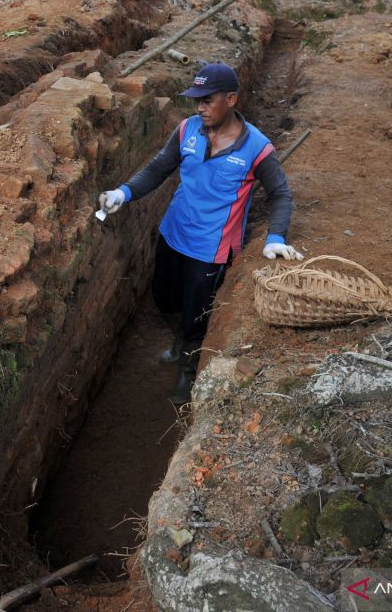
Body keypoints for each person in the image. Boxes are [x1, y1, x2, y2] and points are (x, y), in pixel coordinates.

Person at [98, 62, 302, 405]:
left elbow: (280, 194)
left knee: (197, 315)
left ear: (232, 99)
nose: (200, 107)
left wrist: (275, 238)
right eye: (197, 100)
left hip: (212, 249)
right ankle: (180, 340)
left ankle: (189, 368)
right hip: (174, 232)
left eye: (208, 100)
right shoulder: (187, 130)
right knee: (163, 299)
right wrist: (124, 192)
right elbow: (159, 168)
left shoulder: (258, 149)